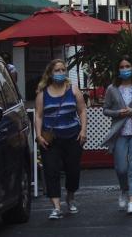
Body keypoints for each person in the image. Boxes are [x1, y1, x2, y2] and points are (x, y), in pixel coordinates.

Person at [34, 59, 87, 220]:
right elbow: (38, 115)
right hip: (51, 140)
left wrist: (83, 130)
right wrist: (38, 135)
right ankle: (56, 207)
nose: (61, 73)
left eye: (63, 70)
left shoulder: (73, 90)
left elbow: (82, 110)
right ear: (50, 73)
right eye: (57, 70)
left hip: (72, 137)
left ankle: (70, 198)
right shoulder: (42, 94)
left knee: (73, 171)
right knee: (51, 171)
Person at [102, 55, 132, 215]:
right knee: (121, 168)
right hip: (120, 132)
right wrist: (118, 113)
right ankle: (124, 189)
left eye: (127, 66)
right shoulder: (111, 89)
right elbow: (105, 109)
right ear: (118, 70)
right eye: (122, 67)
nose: (125, 70)